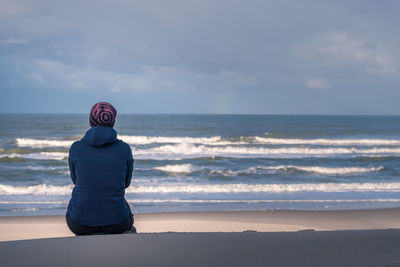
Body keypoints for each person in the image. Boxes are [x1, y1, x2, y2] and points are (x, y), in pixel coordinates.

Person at [66, 102, 135, 235]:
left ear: (91, 121)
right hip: (117, 223)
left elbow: (75, 180)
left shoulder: (76, 148)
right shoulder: (124, 149)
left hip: (79, 224)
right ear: (113, 121)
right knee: (125, 211)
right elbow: (125, 184)